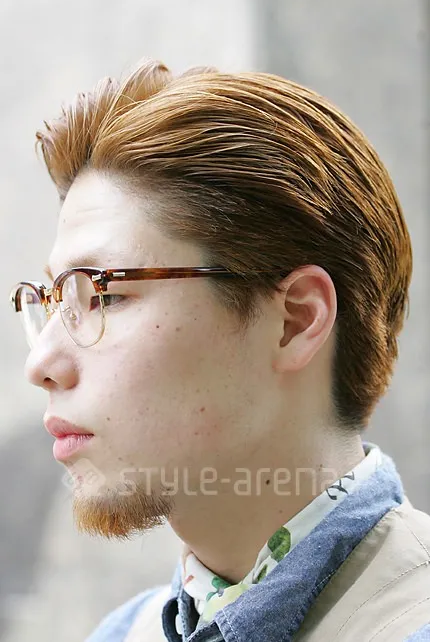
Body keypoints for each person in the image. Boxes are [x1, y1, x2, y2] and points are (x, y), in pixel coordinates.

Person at [9, 57, 430, 641]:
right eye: (52, 300)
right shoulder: (121, 633)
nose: (41, 364)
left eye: (103, 295)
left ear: (295, 321)